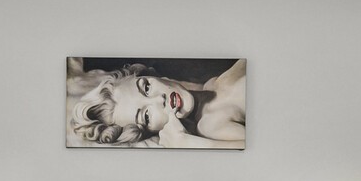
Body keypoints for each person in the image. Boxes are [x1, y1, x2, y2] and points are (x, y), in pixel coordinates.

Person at [66, 59, 246, 148]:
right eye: (146, 115)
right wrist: (185, 143)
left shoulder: (211, 85)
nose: (159, 99)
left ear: (155, 76)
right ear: (153, 130)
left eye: (146, 87)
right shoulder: (209, 125)